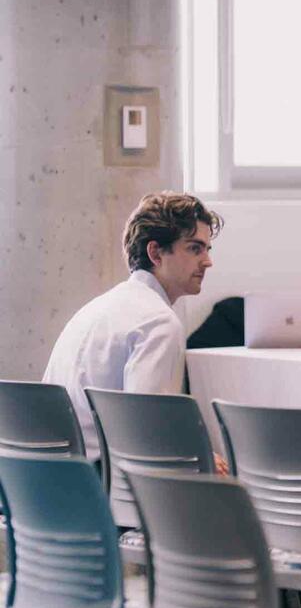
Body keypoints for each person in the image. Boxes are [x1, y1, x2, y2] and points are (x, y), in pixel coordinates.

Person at [43, 191, 223, 459]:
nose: (207, 261)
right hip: (107, 477)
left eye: (207, 249)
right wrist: (203, 456)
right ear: (156, 253)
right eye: (194, 248)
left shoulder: (92, 310)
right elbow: (148, 438)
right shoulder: (159, 322)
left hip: (55, 475)